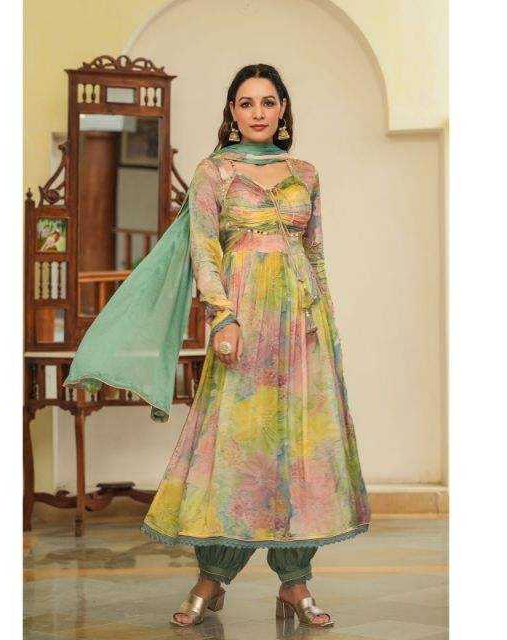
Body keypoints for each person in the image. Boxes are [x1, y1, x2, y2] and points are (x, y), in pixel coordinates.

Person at [134, 64, 372, 628]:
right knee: (236, 446)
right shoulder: (214, 171)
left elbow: (315, 252)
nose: (258, 112)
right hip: (243, 318)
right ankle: (211, 578)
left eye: (268, 102)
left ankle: (295, 583)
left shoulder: (305, 173)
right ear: (232, 112)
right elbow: (204, 250)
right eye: (246, 103)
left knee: (301, 445)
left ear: (283, 109)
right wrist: (222, 316)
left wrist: (325, 322)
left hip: (301, 325)